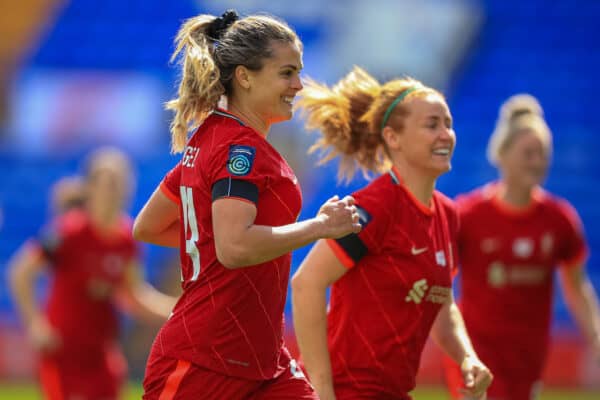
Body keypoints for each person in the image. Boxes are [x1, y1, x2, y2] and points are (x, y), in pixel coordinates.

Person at [132, 10, 361, 400]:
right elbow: (235, 247)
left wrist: (211, 238)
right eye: (287, 73)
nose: (299, 85)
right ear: (245, 76)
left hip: (260, 361)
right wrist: (320, 226)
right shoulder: (241, 149)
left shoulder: (208, 139)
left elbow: (149, 227)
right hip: (204, 362)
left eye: (299, 72)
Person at [291, 66, 493, 400]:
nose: (445, 134)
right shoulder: (374, 207)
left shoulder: (448, 214)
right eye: (432, 125)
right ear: (393, 138)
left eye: (448, 124)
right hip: (347, 392)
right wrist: (322, 390)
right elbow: (306, 284)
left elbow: (442, 302)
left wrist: (466, 357)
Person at [443, 94, 600, 400]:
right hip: (475, 354)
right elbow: (441, 282)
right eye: (529, 153)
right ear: (502, 154)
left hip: (529, 358)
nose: (537, 162)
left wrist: (595, 337)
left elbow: (577, 285)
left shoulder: (559, 219)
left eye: (543, 153)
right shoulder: (468, 215)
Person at [9, 147, 176, 400]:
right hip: (64, 353)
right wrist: (35, 323)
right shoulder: (69, 232)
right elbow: (20, 272)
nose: (114, 191)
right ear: (90, 188)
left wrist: (178, 312)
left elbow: (133, 296)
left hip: (101, 354)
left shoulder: (126, 240)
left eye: (120, 183)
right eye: (108, 183)